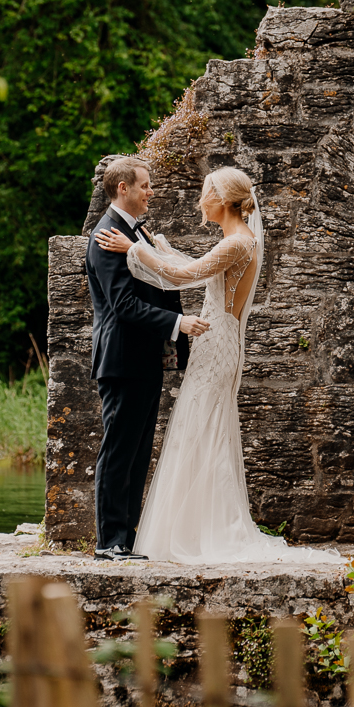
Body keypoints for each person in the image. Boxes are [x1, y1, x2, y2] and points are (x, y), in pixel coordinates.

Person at [94, 166, 330, 565]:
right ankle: (170, 531)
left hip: (214, 341)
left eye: (205, 192)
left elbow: (186, 274)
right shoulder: (238, 241)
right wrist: (158, 248)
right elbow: (199, 269)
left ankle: (200, 529)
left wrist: (135, 249)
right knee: (198, 428)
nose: (199, 200)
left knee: (202, 429)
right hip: (213, 340)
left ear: (221, 200)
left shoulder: (237, 243)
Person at [83, 157, 210, 561]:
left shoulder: (134, 234)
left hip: (144, 358)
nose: (150, 192)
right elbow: (122, 305)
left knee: (138, 453)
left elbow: (159, 279)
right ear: (123, 188)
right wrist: (178, 322)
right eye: (145, 186)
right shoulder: (106, 236)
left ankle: (127, 538)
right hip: (121, 359)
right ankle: (109, 542)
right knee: (119, 450)